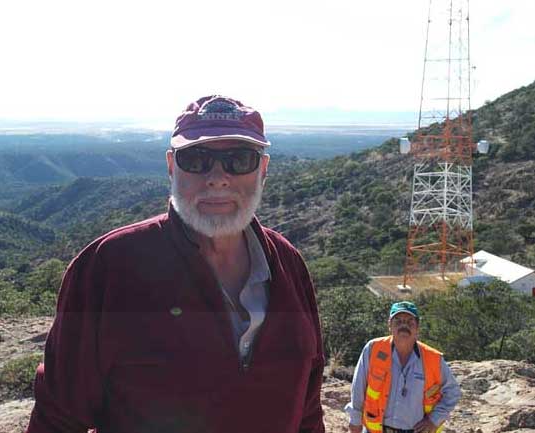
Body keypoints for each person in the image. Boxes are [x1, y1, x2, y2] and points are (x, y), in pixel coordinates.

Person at [26, 95, 325, 433]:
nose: (217, 177)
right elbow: (57, 417)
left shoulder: (288, 265)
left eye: (239, 159)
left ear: (264, 170)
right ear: (171, 166)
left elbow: (308, 409)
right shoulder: (108, 267)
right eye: (196, 159)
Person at [345, 301, 461, 433]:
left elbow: (453, 392)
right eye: (398, 321)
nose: (404, 325)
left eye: (409, 322)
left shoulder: (433, 359)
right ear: (390, 325)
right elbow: (358, 387)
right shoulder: (373, 349)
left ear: (417, 326)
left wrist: (434, 420)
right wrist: (355, 421)